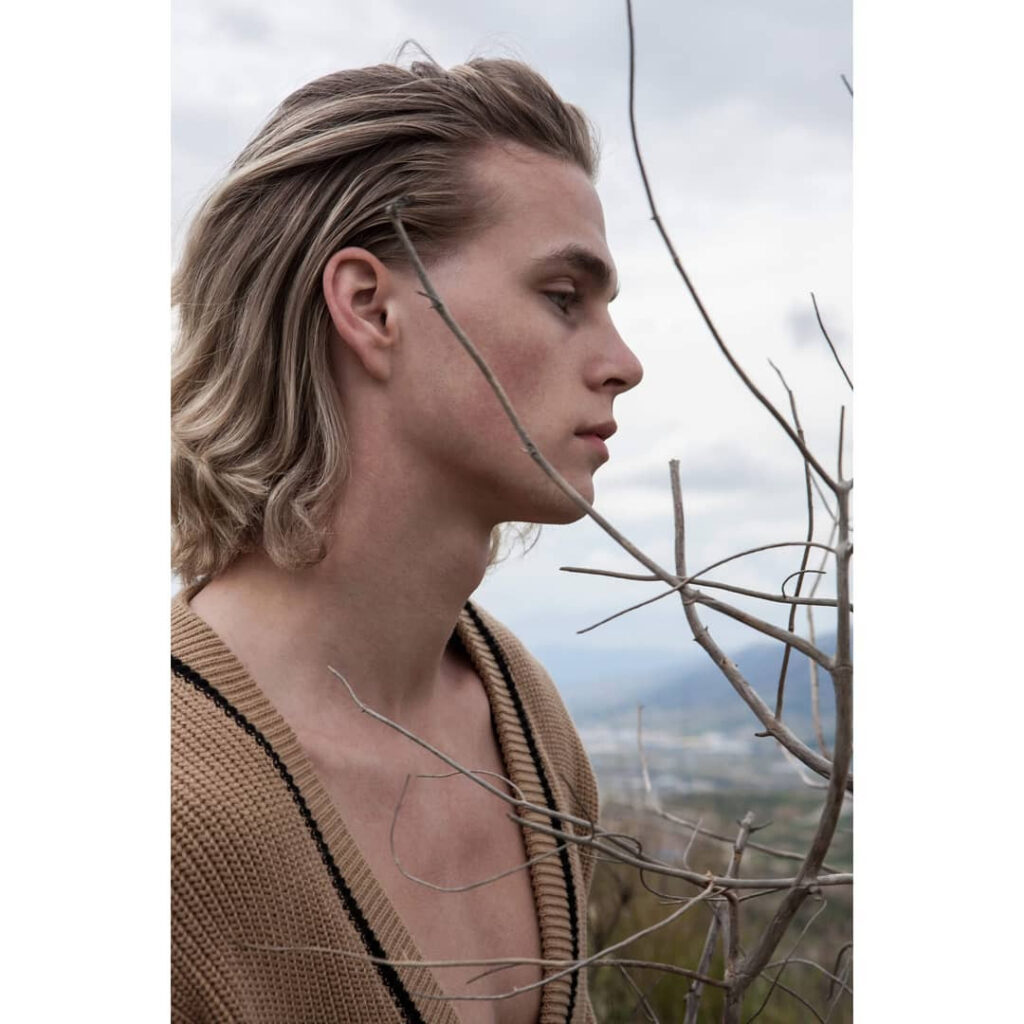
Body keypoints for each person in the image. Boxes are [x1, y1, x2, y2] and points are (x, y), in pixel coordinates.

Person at [171, 56, 643, 1024]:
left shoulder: (524, 718)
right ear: (370, 306)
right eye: (564, 295)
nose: (623, 363)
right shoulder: (160, 803)